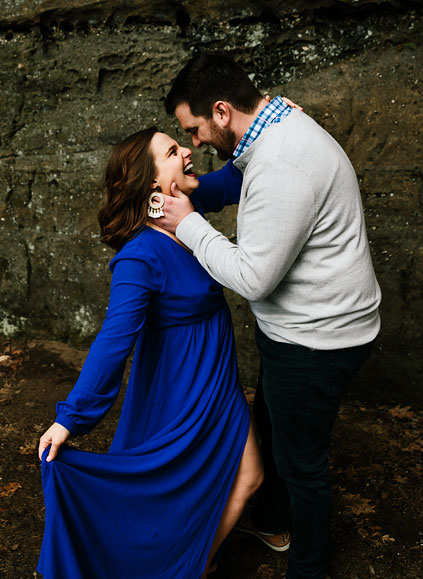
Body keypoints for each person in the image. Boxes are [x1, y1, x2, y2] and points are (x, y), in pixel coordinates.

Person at [153, 53, 382, 579]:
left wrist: (187, 224)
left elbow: (254, 278)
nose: (193, 145)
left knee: (303, 465)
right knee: (275, 427)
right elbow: (236, 183)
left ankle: (310, 567)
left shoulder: (280, 163)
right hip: (307, 328)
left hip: (318, 341)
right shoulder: (274, 123)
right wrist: (188, 195)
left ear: (221, 110)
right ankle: (274, 521)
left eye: (193, 130)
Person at [36, 126, 263, 578]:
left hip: (218, 385)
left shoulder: (188, 220)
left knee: (248, 478)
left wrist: (274, 125)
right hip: (181, 393)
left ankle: (187, 566)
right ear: (151, 183)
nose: (187, 149)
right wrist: (71, 417)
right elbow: (114, 340)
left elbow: (250, 176)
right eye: (171, 151)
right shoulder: (141, 257)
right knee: (175, 497)